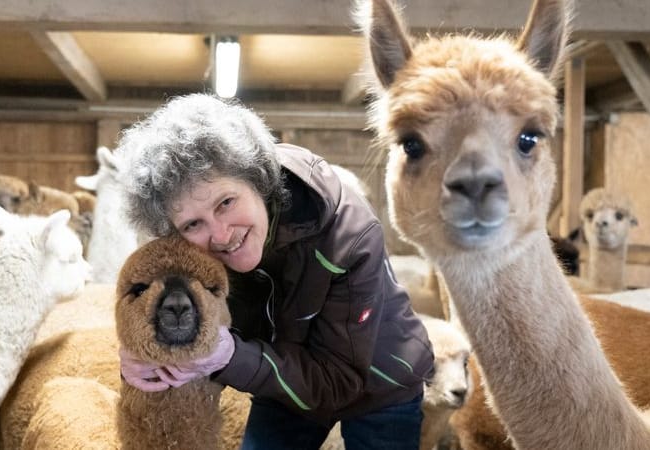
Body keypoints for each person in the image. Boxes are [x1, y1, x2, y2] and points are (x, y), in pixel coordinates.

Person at [116, 93, 434, 450]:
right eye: (192, 223)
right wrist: (146, 355)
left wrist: (230, 357)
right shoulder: (196, 254)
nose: (221, 235)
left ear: (258, 180)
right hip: (281, 372)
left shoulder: (349, 235)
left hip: (381, 382)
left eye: (226, 202)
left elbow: (339, 381)